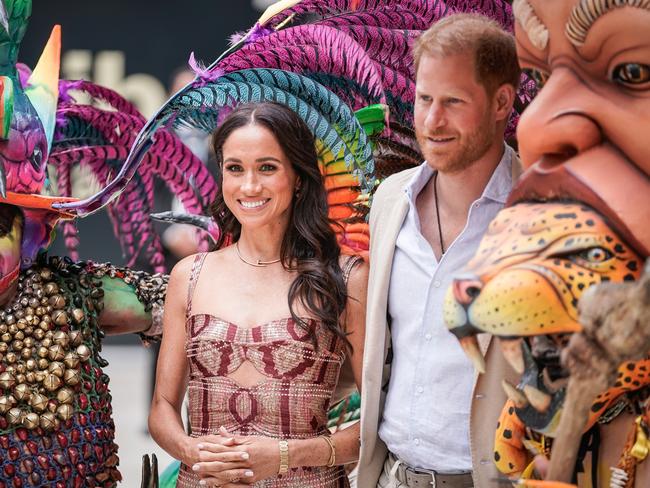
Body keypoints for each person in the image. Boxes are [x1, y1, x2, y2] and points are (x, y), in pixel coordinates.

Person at [149, 101, 368, 487]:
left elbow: (379, 425)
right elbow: (163, 407)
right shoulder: (190, 276)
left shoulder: (346, 279)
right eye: (235, 168)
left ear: (299, 177)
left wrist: (285, 456)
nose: (249, 186)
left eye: (267, 167)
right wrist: (189, 450)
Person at [356, 14, 523, 488]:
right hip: (391, 477)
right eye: (424, 98)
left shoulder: (539, 210)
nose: (432, 120)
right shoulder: (390, 199)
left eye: (453, 101)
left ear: (501, 102)